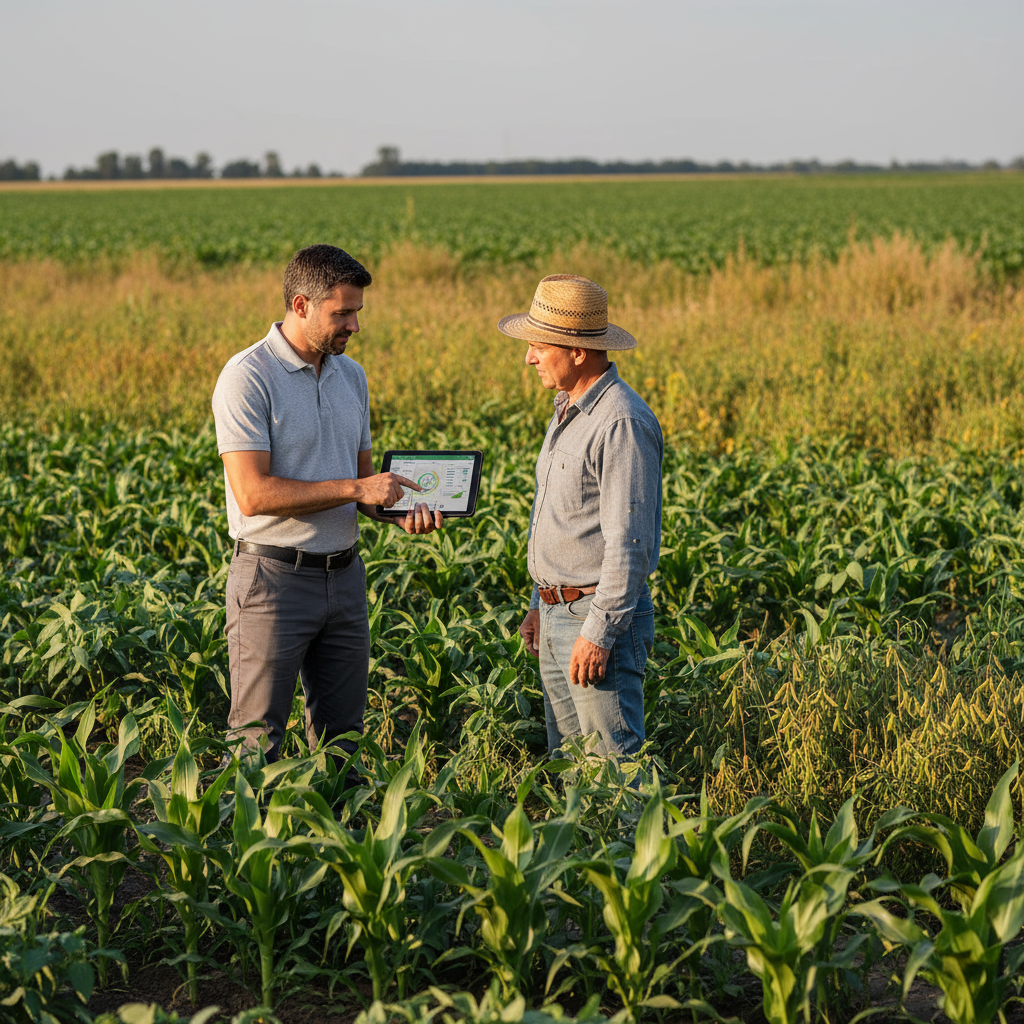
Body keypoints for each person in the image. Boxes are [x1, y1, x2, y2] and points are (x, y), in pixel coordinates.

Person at [211, 243, 442, 766]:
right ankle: (247, 844)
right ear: (300, 305)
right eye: (342, 313)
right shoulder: (247, 377)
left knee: (344, 740)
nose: (354, 325)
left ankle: (338, 846)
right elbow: (254, 493)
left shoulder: (350, 376)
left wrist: (399, 511)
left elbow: (363, 486)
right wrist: (359, 490)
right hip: (273, 580)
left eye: (357, 311)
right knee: (256, 738)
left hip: (345, 577)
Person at [501, 274, 663, 759]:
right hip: (555, 613)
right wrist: (538, 601)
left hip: (594, 617)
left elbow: (629, 546)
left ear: (576, 351)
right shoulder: (568, 409)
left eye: (538, 346)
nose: (528, 357)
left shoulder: (620, 422)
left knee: (613, 771)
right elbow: (561, 520)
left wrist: (597, 634)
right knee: (571, 767)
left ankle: (634, 839)